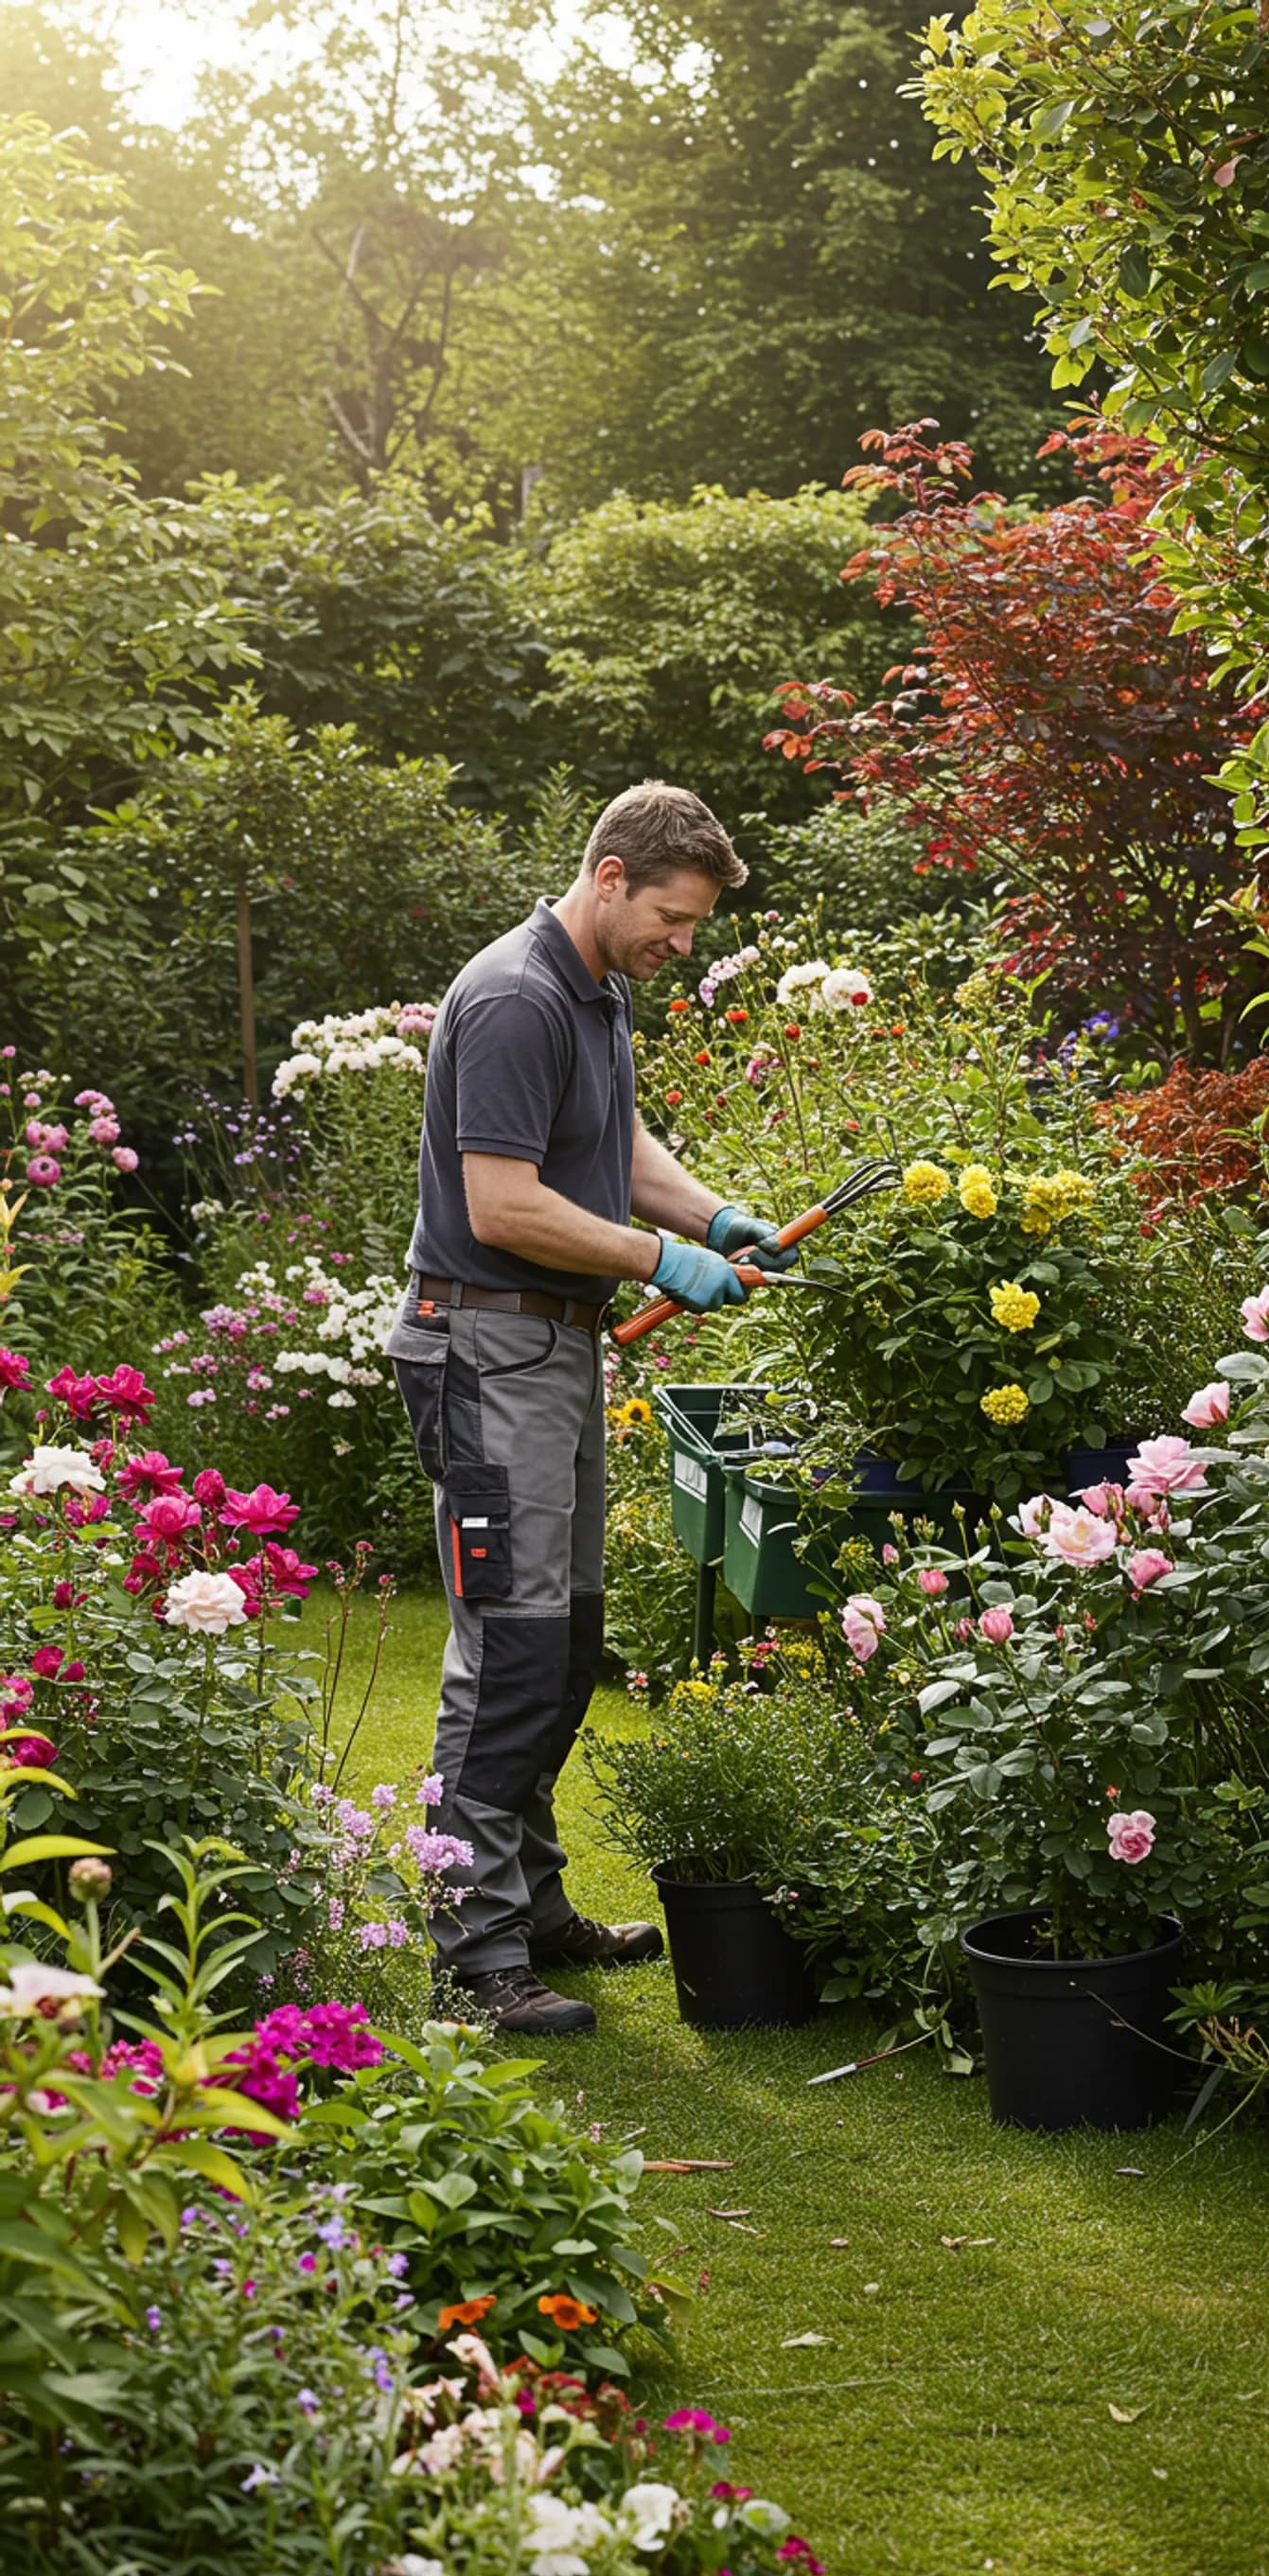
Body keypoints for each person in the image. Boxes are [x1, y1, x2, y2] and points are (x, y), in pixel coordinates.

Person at [386, 780, 785, 2035]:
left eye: (695, 923)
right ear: (611, 878)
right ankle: (473, 1955)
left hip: (549, 1351)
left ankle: (531, 1905)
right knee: (509, 1649)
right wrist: (659, 1259)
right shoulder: (516, 996)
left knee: (561, 1646)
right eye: (673, 917)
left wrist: (710, 1215)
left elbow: (617, 1146)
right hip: (484, 1348)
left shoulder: (595, 991)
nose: (685, 943)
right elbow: (502, 1205)